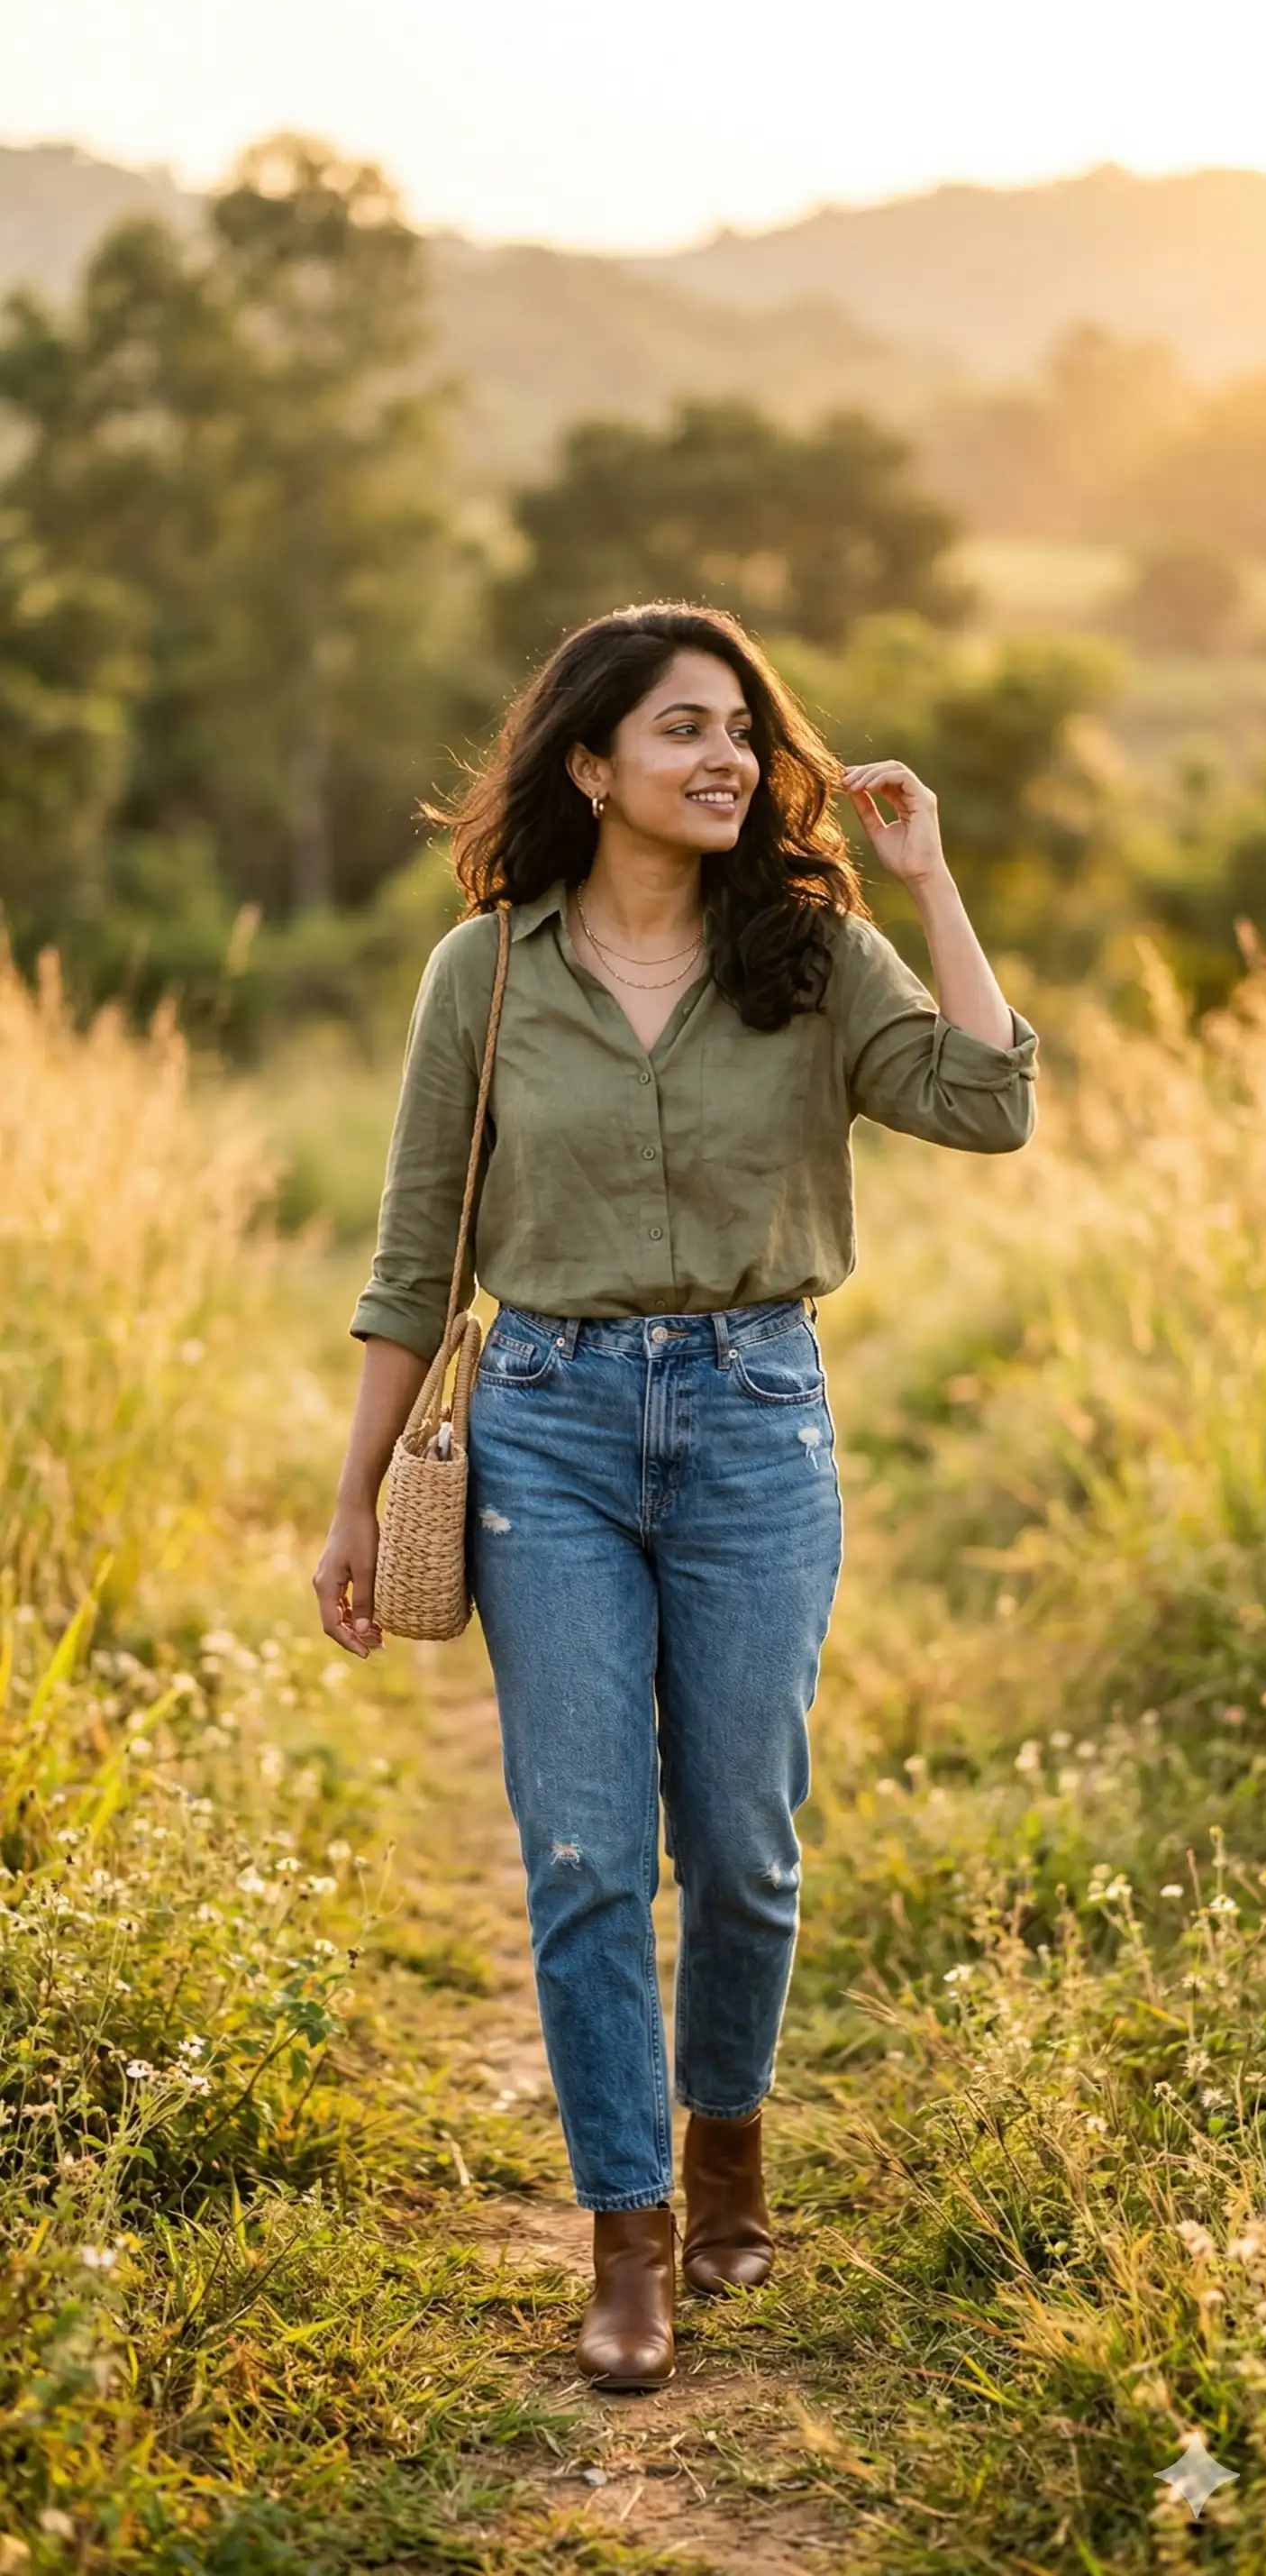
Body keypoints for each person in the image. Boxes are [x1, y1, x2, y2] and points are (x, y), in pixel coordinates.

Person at [313, 601, 1038, 2392]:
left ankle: (732, 2160)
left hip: (753, 1421)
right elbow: (416, 1261)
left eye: (740, 728)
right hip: (545, 1429)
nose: (725, 757)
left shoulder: (812, 951)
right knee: (576, 1850)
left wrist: (930, 879)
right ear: (589, 761)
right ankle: (626, 2232)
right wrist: (348, 1502)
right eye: (679, 729)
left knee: (741, 1844)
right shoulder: (479, 976)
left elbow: (990, 1102)